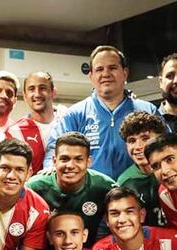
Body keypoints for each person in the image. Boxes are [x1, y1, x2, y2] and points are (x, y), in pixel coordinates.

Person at [44, 45, 160, 179]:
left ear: (125, 72)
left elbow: (168, 146)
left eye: (112, 68)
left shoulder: (147, 111)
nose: (106, 74)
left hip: (138, 191)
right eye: (99, 69)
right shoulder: (75, 114)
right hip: (90, 194)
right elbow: (55, 149)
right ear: (91, 76)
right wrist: (49, 169)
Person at [27, 132, 117, 247]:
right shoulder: (34, 188)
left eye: (78, 159)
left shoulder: (105, 187)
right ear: (54, 161)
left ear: (88, 162)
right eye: (64, 159)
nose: (70, 165)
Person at [116, 112, 167, 226]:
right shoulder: (124, 181)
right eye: (132, 141)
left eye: (145, 138)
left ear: (160, 139)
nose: (138, 146)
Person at [7, 71, 63, 173]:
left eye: (42, 88)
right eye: (31, 89)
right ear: (24, 96)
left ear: (53, 92)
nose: (37, 94)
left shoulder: (66, 122)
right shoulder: (15, 132)